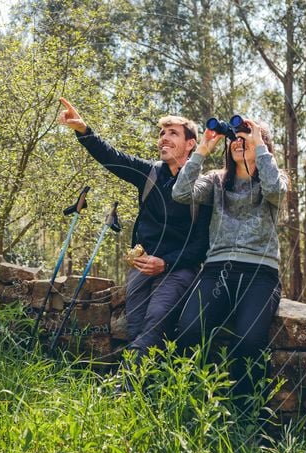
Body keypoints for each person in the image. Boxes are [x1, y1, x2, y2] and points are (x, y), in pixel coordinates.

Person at [57, 98, 212, 364]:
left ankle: (125, 386)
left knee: (156, 319)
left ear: (190, 144)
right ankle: (148, 387)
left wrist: (165, 263)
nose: (163, 138)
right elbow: (113, 158)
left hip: (178, 269)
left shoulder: (203, 187)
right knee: (136, 326)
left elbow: (201, 246)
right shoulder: (150, 173)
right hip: (141, 264)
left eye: (172, 133)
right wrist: (84, 131)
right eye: (161, 133)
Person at [172, 118, 287, 400]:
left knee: (249, 341)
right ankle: (189, 400)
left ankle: (247, 413)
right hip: (216, 270)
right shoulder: (216, 181)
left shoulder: (274, 178)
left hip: (260, 273)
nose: (238, 141)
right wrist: (201, 150)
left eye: (244, 137)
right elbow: (180, 193)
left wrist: (258, 142)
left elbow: (275, 190)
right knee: (188, 331)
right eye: (233, 138)